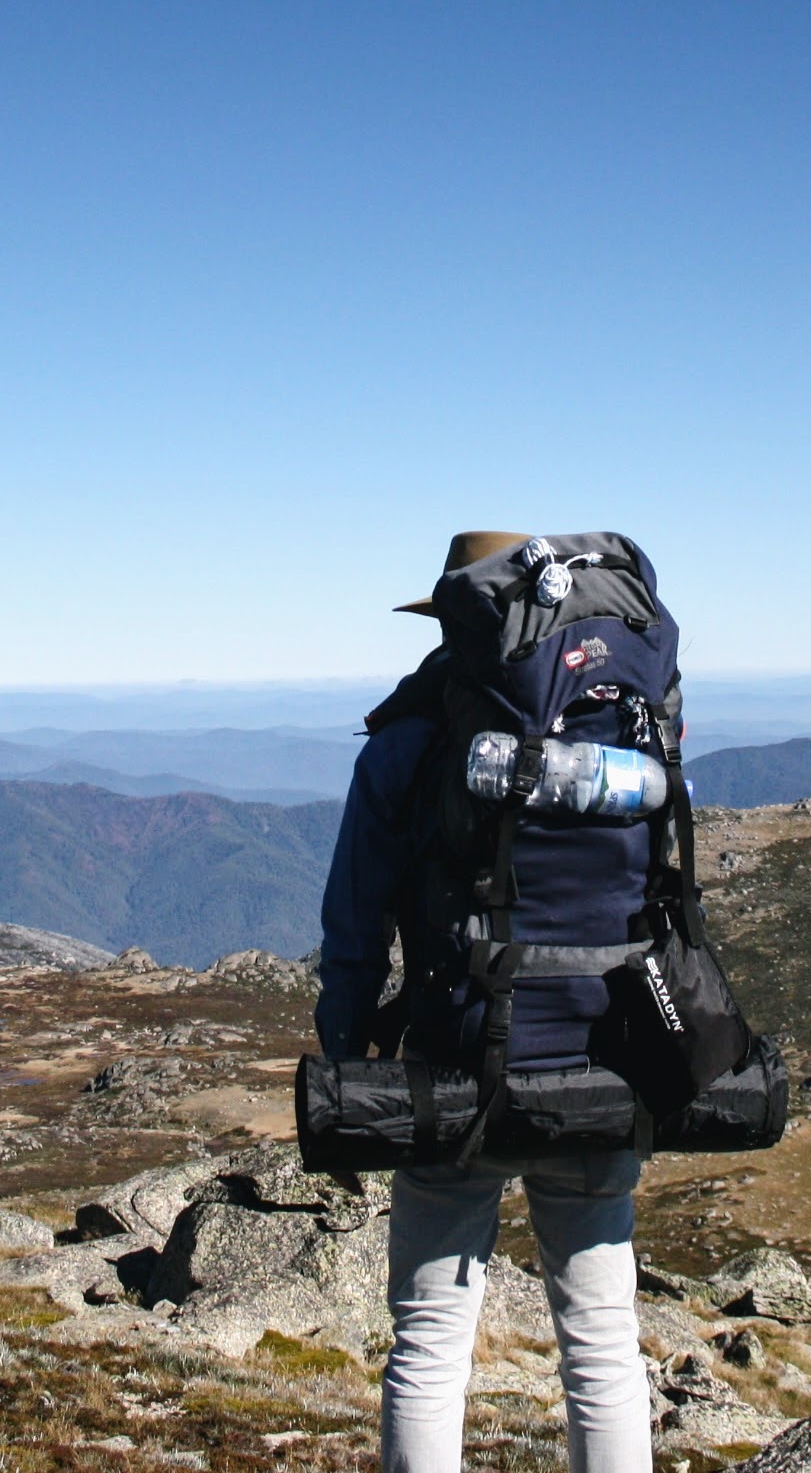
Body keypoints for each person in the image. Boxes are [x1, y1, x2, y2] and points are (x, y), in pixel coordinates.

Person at [317, 531, 657, 1473]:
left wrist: (347, 1050)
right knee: (601, 1343)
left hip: (457, 1059)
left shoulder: (409, 738)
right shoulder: (618, 724)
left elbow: (354, 923)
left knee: (429, 1347)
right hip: (602, 1054)